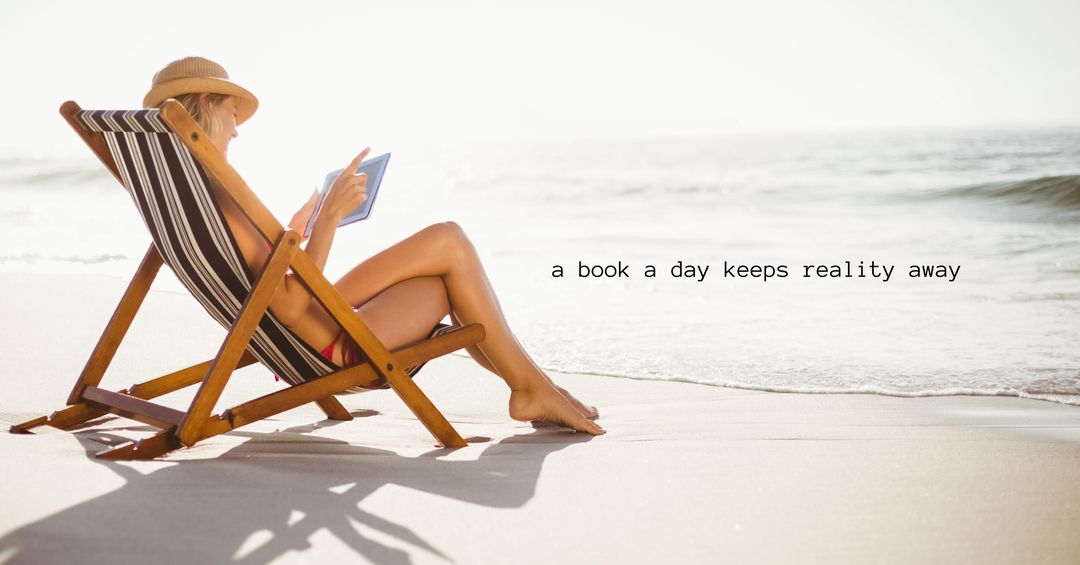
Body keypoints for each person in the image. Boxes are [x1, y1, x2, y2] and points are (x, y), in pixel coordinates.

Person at [142, 57, 603, 435]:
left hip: (305, 324)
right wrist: (327, 223)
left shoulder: (186, 187)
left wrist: (298, 232)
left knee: (446, 242)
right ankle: (533, 388)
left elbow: (259, 276)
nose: (237, 129)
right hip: (325, 343)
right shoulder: (219, 189)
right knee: (450, 254)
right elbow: (284, 305)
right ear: (204, 103)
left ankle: (536, 387)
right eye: (231, 114)